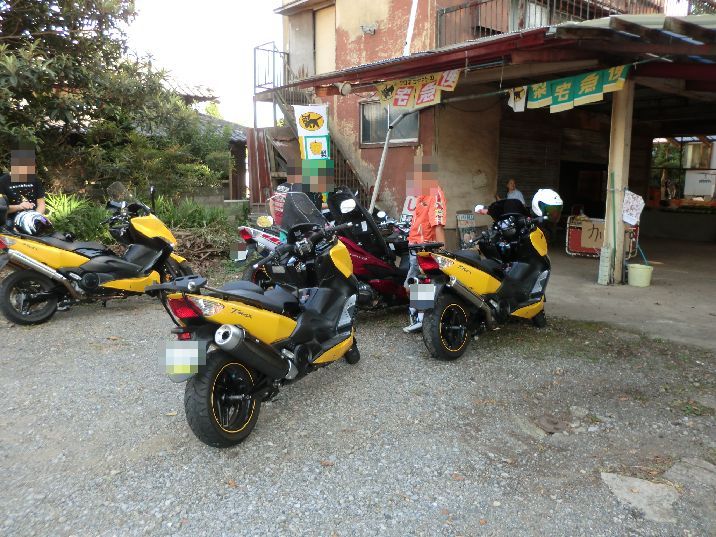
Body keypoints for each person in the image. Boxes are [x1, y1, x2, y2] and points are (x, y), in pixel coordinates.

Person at [403, 157, 446, 334]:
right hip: (415, 246)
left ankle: (421, 319)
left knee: (420, 282)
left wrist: (443, 253)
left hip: (425, 247)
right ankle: (417, 315)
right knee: (413, 283)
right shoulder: (421, 195)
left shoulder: (435, 194)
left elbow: (438, 224)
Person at [0, 149, 46, 228]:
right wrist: (20, 207)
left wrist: (35, 217)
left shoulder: (35, 180)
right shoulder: (2, 182)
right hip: (10, 221)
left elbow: (41, 204)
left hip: (32, 219)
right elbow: (2, 209)